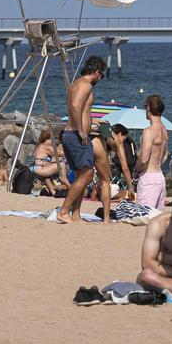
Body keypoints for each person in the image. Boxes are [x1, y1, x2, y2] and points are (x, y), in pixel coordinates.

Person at [56, 56, 107, 224]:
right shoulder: (85, 85)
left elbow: (80, 109)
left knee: (80, 175)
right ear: (97, 72)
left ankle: (75, 214)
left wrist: (93, 121)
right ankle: (64, 211)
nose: (101, 79)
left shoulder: (75, 84)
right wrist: (81, 131)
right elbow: (76, 107)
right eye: (102, 75)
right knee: (87, 174)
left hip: (71, 133)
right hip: (76, 135)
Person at [135, 94, 169, 210]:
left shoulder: (149, 131)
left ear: (148, 108)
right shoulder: (164, 129)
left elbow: (144, 159)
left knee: (145, 216)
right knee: (156, 218)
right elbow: (164, 155)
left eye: (145, 106)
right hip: (160, 176)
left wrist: (136, 170)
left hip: (149, 178)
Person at [30, 130, 69, 196]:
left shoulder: (38, 146)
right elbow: (61, 153)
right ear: (48, 139)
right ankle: (64, 183)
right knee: (62, 165)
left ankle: (53, 191)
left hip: (33, 169)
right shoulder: (46, 147)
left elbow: (29, 160)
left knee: (50, 169)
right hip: (40, 170)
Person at [107, 123, 137, 199]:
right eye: (124, 138)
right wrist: (130, 188)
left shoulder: (104, 137)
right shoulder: (118, 144)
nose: (123, 142)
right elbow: (125, 168)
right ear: (120, 134)